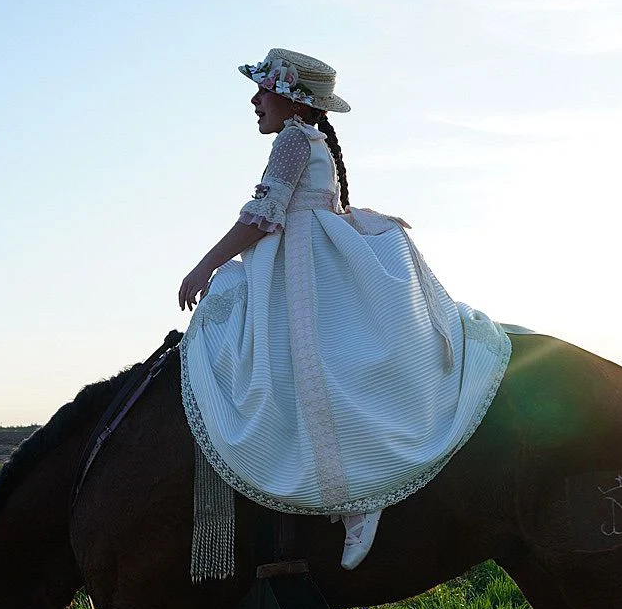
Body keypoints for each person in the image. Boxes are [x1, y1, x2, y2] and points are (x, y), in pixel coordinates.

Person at [177, 48, 511, 570]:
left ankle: (354, 491)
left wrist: (204, 266)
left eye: (264, 91)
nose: (254, 99)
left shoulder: (291, 139)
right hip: (309, 254)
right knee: (325, 369)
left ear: (291, 99)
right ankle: (345, 486)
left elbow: (263, 214)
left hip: (305, 264)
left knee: (302, 368)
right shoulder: (308, 140)